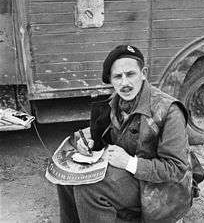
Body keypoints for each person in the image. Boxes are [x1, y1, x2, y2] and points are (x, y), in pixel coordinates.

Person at [57, 45, 193, 223]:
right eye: (117, 77)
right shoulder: (115, 103)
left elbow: (176, 169)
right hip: (130, 175)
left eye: (130, 74)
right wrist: (88, 141)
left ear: (143, 73)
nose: (124, 83)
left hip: (159, 187)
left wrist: (129, 162)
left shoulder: (169, 111)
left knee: (89, 189)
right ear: (111, 80)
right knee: (66, 179)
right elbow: (106, 133)